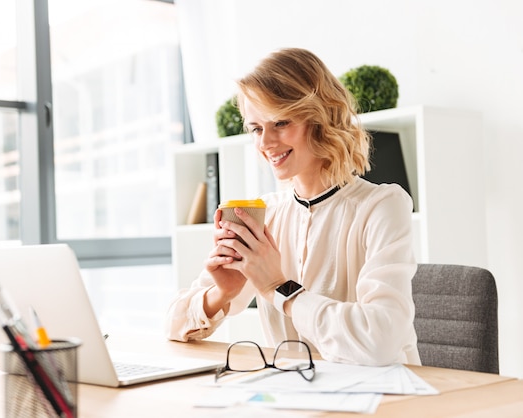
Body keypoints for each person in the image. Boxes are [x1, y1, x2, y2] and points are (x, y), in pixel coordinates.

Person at [166, 48, 420, 367]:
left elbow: (379, 342)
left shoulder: (382, 206)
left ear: (320, 118)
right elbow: (174, 326)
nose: (265, 142)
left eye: (280, 123)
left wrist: (280, 288)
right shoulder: (264, 214)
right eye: (256, 128)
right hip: (293, 396)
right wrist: (222, 294)